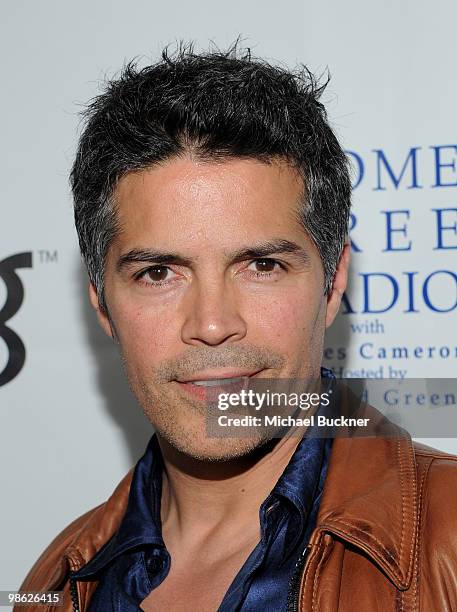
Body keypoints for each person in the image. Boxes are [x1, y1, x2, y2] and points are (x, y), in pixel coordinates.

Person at [18, 44, 457, 612]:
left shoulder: (446, 543)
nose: (212, 323)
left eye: (261, 266)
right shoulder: (54, 583)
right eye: (158, 272)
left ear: (332, 281)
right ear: (102, 303)